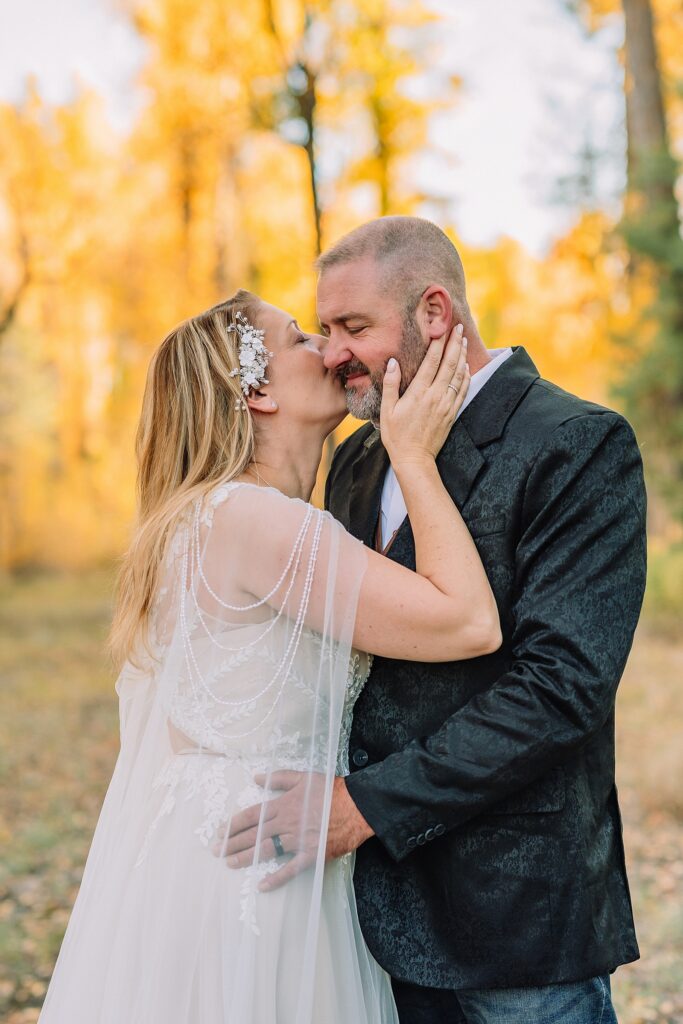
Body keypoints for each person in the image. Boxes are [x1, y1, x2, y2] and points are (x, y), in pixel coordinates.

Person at [226, 216, 647, 1023]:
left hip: (512, 912)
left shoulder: (575, 444)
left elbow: (562, 687)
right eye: (321, 329)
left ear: (433, 313)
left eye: (352, 327)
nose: (330, 351)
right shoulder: (357, 455)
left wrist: (364, 805)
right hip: (365, 912)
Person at [38, 290, 501, 1023]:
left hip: (214, 848)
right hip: (257, 869)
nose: (329, 350)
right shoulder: (258, 521)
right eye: (299, 339)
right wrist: (413, 456)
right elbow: (468, 623)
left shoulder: (210, 515)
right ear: (255, 393)